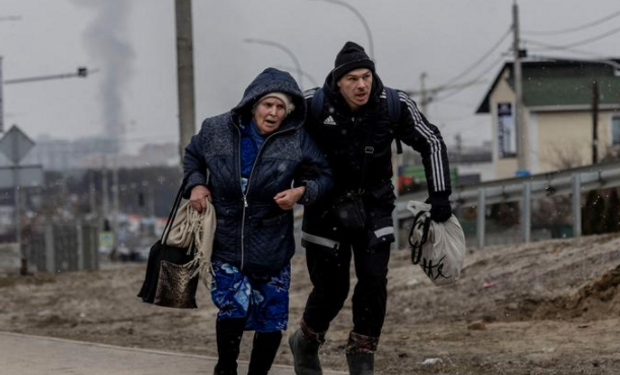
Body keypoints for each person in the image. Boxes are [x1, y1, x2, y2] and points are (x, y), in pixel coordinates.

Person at [288, 42, 453, 375]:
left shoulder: (393, 103)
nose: (361, 85)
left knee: (374, 282)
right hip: (324, 208)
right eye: (352, 79)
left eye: (366, 76)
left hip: (374, 204)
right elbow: (271, 133)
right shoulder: (311, 105)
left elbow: (431, 141)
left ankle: (361, 358)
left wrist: (440, 196)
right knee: (332, 290)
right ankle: (305, 342)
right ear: (338, 82)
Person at [183, 67, 332, 375]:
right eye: (268, 105)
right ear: (253, 104)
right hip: (225, 239)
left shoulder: (297, 139)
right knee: (234, 306)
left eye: (280, 107)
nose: (273, 112)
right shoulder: (217, 129)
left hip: (272, 242)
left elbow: (325, 176)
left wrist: (301, 192)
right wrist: (196, 184)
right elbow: (192, 157)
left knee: (271, 318)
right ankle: (226, 368)